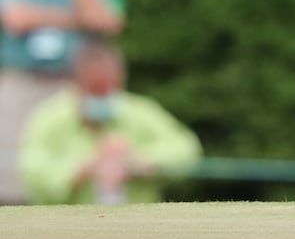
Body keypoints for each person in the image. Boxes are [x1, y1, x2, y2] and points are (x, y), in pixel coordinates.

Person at [0, 0, 124, 204]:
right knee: (10, 184)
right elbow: (15, 18)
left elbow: (105, 21)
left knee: (74, 181)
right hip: (19, 81)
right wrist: (80, 18)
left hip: (74, 86)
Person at [18, 39, 200, 204]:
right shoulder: (49, 118)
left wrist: (140, 162)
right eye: (96, 88)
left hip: (139, 226)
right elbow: (31, 170)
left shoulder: (141, 111)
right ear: (77, 83)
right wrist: (83, 169)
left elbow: (187, 148)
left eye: (109, 87)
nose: (103, 95)